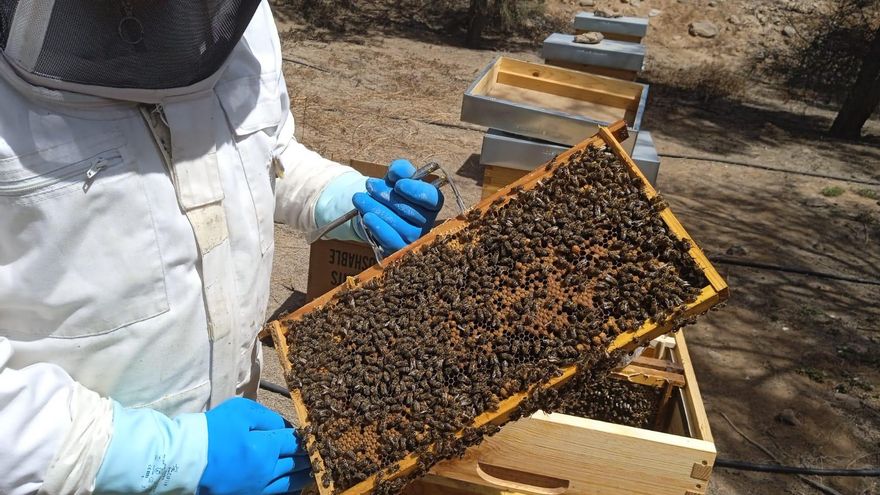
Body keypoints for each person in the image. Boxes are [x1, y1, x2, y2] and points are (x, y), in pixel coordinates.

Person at [0, 1, 443, 494]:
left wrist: (337, 197)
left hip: (236, 437)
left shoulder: (239, 18)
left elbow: (266, 148)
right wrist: (165, 460)